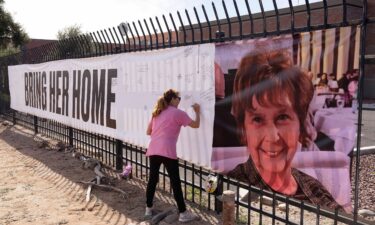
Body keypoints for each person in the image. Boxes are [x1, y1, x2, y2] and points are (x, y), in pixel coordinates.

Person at [228, 50, 343, 210]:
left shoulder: (315, 189)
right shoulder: (231, 188)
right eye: (258, 119)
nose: (272, 137)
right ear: (244, 128)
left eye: (282, 117)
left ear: (300, 125)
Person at [145, 89, 200, 222]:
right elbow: (196, 125)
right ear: (173, 99)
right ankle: (183, 214)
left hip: (154, 148)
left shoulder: (157, 112)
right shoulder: (178, 113)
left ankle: (148, 209)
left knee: (152, 179)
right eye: (178, 98)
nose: (180, 101)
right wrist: (197, 112)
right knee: (175, 182)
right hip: (167, 150)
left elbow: (148, 131)